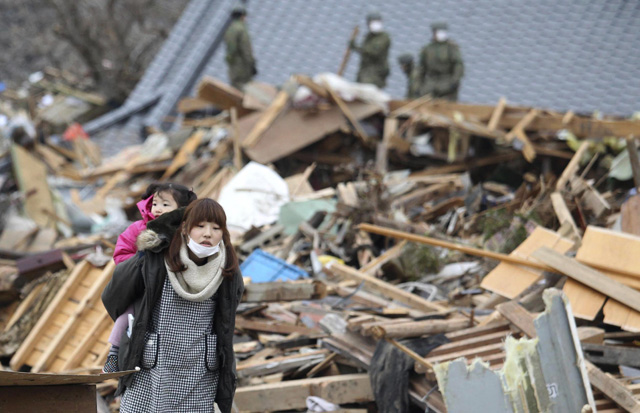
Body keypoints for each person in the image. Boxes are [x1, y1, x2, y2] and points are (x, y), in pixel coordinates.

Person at [102, 199, 244, 412]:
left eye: (216, 228)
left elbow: (227, 316)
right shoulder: (158, 258)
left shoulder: (227, 270)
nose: (208, 234)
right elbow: (116, 293)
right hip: (152, 366)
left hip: (200, 370)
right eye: (200, 226)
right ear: (185, 229)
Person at [103, 182, 197, 373]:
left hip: (174, 289)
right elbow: (121, 255)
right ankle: (114, 352)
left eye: (165, 205)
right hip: (144, 286)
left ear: (181, 209)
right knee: (130, 313)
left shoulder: (187, 231)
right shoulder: (139, 228)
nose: (158, 209)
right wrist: (140, 265)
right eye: (155, 204)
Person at [417, 22, 464, 101]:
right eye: (437, 32)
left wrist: (454, 81)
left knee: (446, 105)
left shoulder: (451, 48)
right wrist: (419, 85)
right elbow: (421, 68)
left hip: (446, 81)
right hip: (431, 82)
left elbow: (458, 65)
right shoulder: (427, 49)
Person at [350, 12, 391, 89]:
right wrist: (354, 47)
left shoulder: (384, 37)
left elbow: (375, 52)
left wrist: (357, 48)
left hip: (376, 74)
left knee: (368, 92)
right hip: (364, 71)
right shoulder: (368, 37)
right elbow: (365, 51)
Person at [224, 5, 257, 90]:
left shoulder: (230, 30)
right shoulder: (241, 29)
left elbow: (230, 51)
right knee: (246, 91)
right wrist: (252, 64)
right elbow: (246, 50)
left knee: (234, 90)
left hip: (234, 68)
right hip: (243, 68)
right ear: (242, 16)